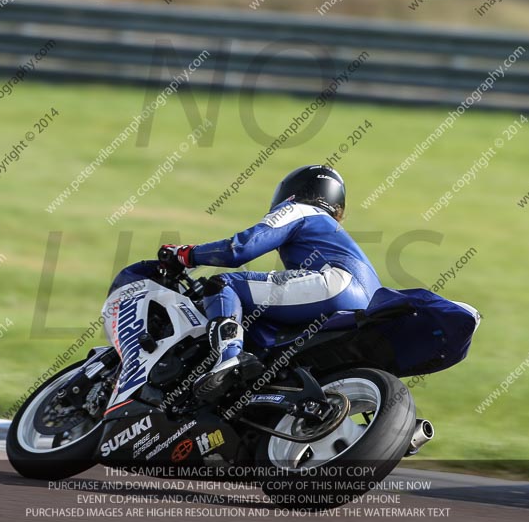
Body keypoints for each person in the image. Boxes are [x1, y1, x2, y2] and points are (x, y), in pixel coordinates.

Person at [159, 165, 382, 400]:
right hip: (369, 305)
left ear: (293, 191)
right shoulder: (334, 232)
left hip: (336, 286)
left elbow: (239, 249)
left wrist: (184, 254)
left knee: (224, 285)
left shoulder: (299, 209)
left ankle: (230, 357)